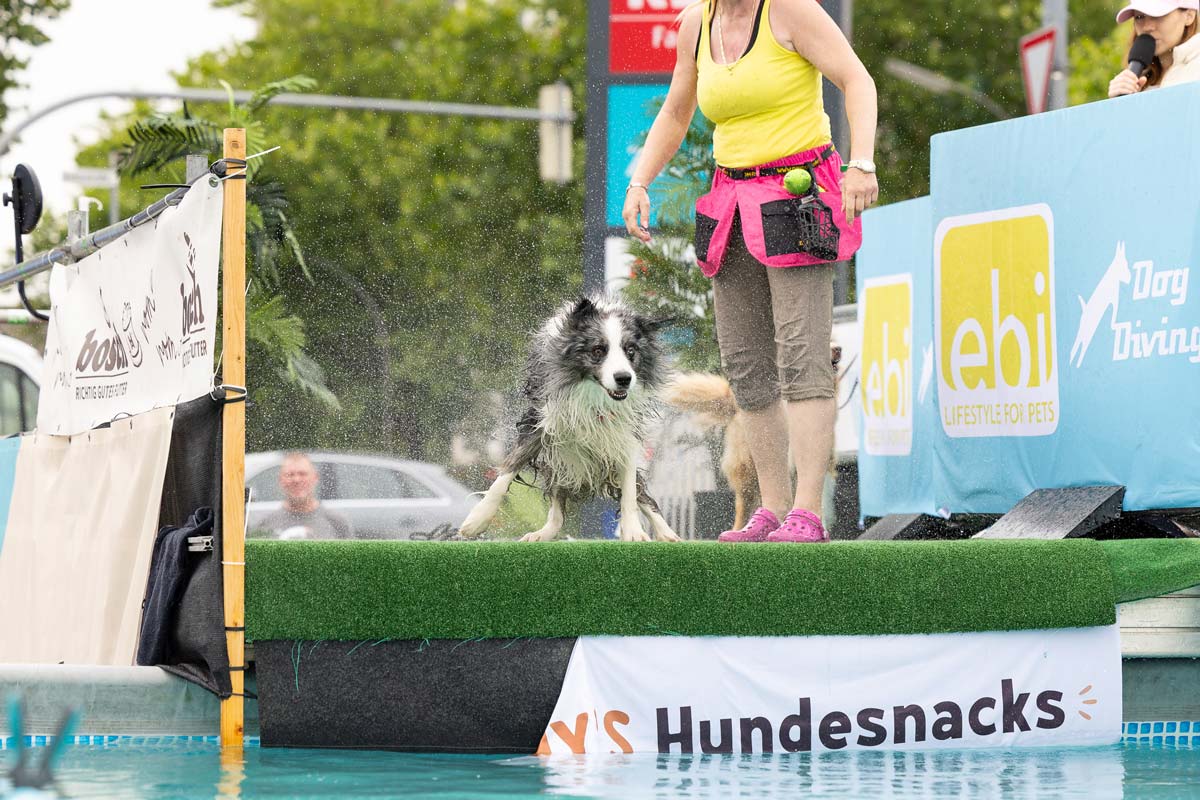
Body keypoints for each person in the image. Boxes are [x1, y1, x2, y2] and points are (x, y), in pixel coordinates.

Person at [623, 0, 877, 543]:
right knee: (745, 364)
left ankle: (808, 511)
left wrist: (861, 163)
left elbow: (858, 79)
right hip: (731, 201)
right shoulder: (697, 24)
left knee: (803, 355)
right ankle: (772, 507)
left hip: (797, 197)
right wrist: (639, 182)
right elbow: (676, 111)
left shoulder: (790, 10)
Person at [1109, 1, 1200, 97]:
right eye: (1139, 17)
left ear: (1189, 16)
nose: (1147, 27)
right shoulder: (1139, 79)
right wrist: (1120, 101)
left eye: (1158, 15)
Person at [256, 452, 353, 540]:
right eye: (290, 475)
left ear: (315, 478)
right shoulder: (265, 525)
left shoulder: (337, 523)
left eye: (302, 474)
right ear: (280, 480)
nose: (296, 480)